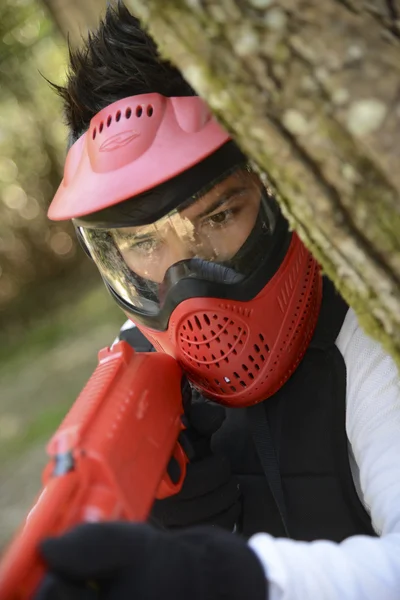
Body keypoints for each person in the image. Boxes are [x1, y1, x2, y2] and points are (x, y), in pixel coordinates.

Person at [36, 3, 400, 599]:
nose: (185, 283)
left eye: (221, 215)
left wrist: (219, 575)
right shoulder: (135, 380)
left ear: (278, 191)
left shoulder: (364, 326)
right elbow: (54, 537)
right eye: (144, 243)